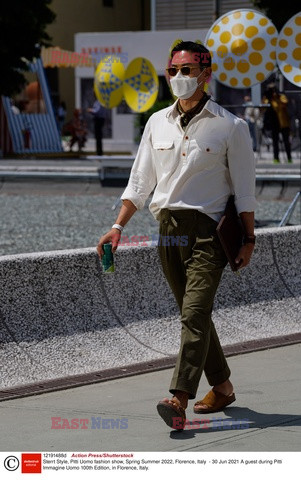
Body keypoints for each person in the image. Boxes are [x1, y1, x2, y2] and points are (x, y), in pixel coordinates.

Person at [96, 41, 256, 430]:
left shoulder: (230, 126)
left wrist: (249, 238)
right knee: (193, 314)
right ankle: (222, 386)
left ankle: (178, 397)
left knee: (195, 313)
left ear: (206, 73)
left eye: (187, 70)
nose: (179, 78)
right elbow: (141, 182)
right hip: (167, 232)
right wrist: (118, 227)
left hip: (207, 235)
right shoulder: (157, 123)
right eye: (173, 71)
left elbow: (246, 189)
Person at [263, 85, 292, 163]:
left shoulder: (281, 97)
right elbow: (263, 107)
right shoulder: (268, 98)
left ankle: (289, 158)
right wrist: (269, 98)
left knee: (286, 142)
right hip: (274, 123)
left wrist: (276, 97)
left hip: (283, 123)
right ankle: (276, 158)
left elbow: (284, 103)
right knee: (275, 142)